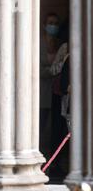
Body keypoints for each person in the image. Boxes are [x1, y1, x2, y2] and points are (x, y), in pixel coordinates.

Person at [40, 13, 61, 158]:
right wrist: (54, 70)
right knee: (41, 128)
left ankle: (53, 160)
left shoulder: (61, 44)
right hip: (42, 92)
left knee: (55, 129)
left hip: (58, 93)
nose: (52, 26)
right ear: (44, 25)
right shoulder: (39, 43)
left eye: (55, 23)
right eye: (50, 23)